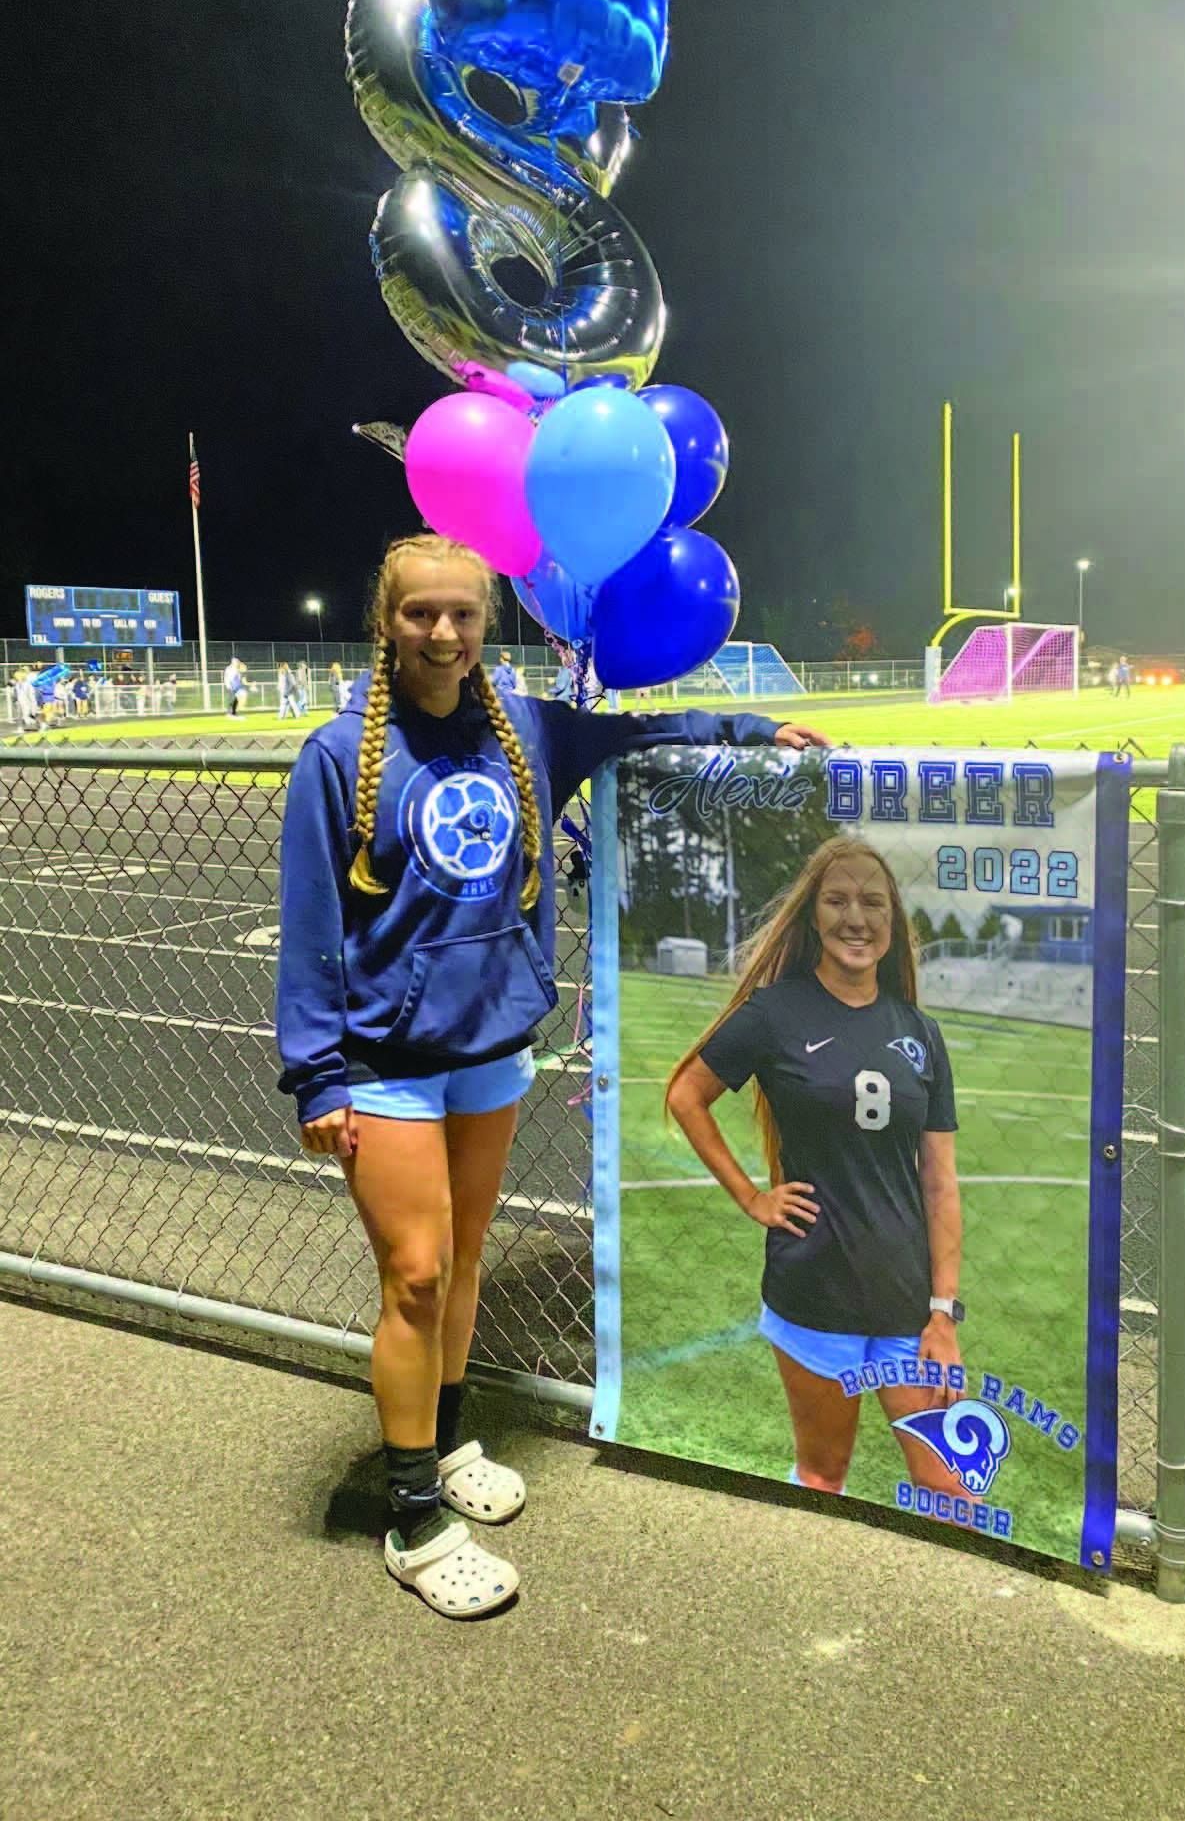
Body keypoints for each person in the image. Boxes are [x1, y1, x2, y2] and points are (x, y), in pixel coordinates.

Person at [274, 532, 829, 1618]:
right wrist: (318, 1079)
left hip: (491, 1049)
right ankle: (410, 1514)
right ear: (387, 623)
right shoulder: (337, 754)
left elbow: (641, 733)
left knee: (469, 1259)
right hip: (385, 1063)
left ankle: (439, 1439)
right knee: (417, 1274)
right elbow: (309, 930)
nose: (443, 634)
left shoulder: (523, 728)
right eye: (422, 614)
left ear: (488, 623)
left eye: (463, 615)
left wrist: (754, 730)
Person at [666, 838, 967, 1504]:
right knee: (823, 1479)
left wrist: (941, 1313)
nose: (856, 917)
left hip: (906, 1304)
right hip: (813, 1292)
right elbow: (686, 1094)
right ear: (812, 918)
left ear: (893, 924)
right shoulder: (775, 1013)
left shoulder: (919, 1032)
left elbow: (940, 1184)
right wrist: (751, 1196)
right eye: (837, 900)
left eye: (873, 902)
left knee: (951, 1491)